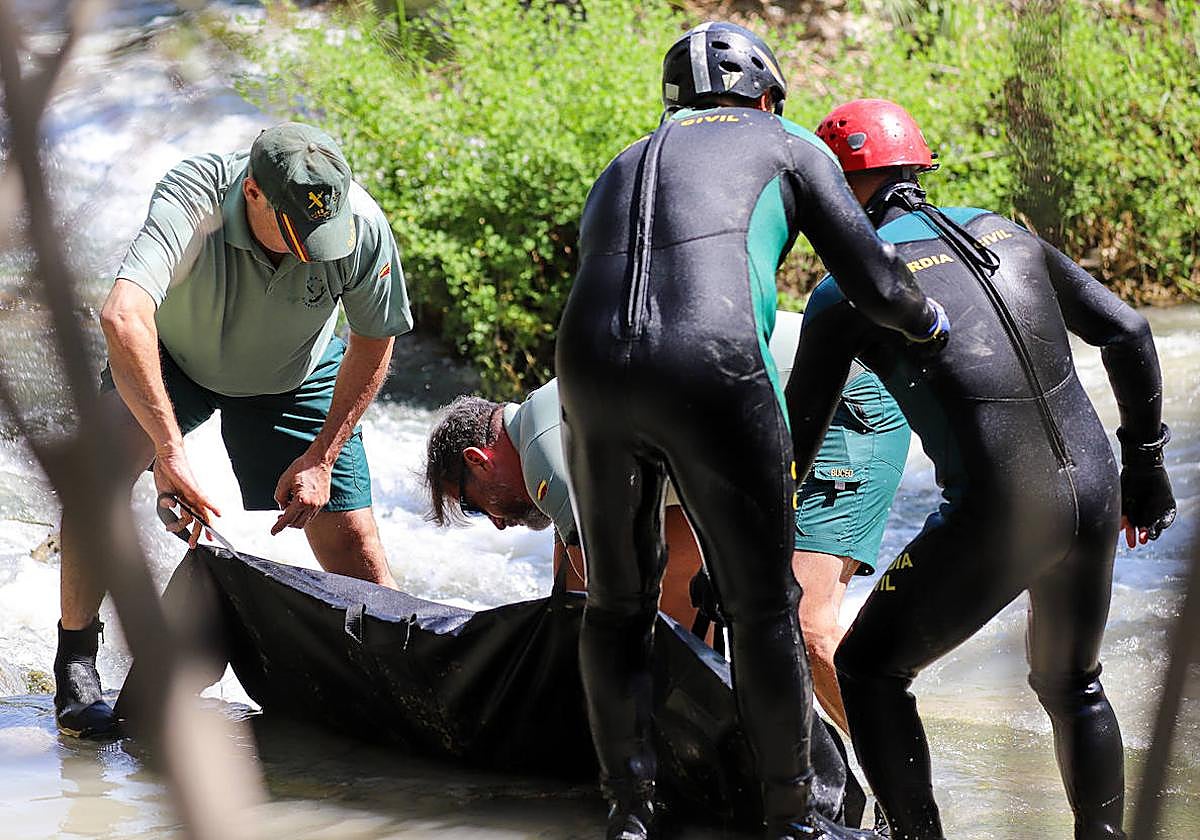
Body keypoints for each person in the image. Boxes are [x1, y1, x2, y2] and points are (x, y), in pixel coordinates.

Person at [555, 23, 947, 840]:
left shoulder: (622, 162)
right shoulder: (789, 143)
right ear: (766, 96)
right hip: (713, 365)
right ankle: (791, 820)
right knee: (764, 606)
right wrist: (929, 323)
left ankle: (629, 814)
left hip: (587, 368)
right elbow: (875, 282)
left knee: (617, 604)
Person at [787, 98, 1176, 840]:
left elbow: (798, 440)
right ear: (918, 168)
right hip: (1096, 487)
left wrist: (748, 545)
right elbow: (1127, 329)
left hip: (999, 510)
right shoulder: (1003, 231)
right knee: (1073, 683)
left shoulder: (846, 291)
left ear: (834, 188)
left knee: (869, 670)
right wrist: (1147, 466)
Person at [54, 122, 414, 738]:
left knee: (355, 544)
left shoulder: (361, 228)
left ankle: (400, 689)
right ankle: (76, 656)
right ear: (252, 192)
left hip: (294, 373)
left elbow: (374, 338)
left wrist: (323, 457)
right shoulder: (194, 197)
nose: (313, 252)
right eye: (299, 235)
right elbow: (123, 316)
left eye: (323, 236)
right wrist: (168, 452)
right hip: (175, 361)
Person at [424, 309, 911, 734]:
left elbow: (602, 607)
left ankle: (903, 778)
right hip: (772, 422)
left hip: (838, 400)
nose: (497, 525)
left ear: (479, 460)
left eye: (474, 506)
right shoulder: (558, 437)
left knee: (806, 627)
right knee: (684, 628)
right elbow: (602, 615)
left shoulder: (546, 456)